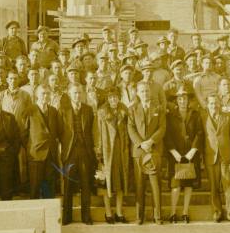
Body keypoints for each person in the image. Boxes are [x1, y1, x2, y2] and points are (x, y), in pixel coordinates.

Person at [127, 80, 166, 224]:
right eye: (142, 91)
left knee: (155, 185)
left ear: (151, 92)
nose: (145, 93)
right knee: (139, 184)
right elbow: (130, 128)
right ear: (138, 93)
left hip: (154, 149)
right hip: (139, 151)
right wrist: (141, 143)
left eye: (147, 91)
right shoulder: (132, 109)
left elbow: (162, 128)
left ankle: (158, 217)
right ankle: (139, 217)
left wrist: (151, 141)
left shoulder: (158, 108)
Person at [163, 87, 203, 223]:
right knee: (175, 185)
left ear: (188, 100)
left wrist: (193, 151)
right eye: (179, 99)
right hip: (175, 155)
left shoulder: (195, 114)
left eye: (184, 98)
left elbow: (199, 133)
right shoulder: (170, 116)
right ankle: (173, 212)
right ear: (176, 100)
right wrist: (174, 152)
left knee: (188, 184)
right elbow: (167, 135)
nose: (182, 101)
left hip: (191, 154)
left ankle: (185, 212)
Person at [57, 83, 96, 224]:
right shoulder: (63, 110)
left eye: (79, 92)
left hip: (85, 151)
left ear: (83, 94)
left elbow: (92, 131)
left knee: (85, 184)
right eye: (74, 93)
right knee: (68, 185)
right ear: (69, 94)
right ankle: (67, 217)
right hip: (70, 152)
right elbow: (60, 132)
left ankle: (86, 217)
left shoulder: (88, 110)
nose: (77, 95)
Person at [202, 93, 230, 222]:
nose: (214, 106)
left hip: (226, 156)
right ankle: (217, 212)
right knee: (214, 186)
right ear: (208, 105)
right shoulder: (203, 118)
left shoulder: (228, 118)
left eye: (216, 103)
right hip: (210, 156)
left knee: (228, 185)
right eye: (211, 103)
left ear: (220, 105)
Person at [94, 87, 130, 223]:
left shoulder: (124, 111)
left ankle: (119, 212)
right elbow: (97, 133)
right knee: (105, 184)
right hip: (107, 152)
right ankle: (108, 212)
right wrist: (99, 152)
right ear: (107, 99)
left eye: (115, 97)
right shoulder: (102, 112)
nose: (113, 100)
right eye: (110, 98)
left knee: (120, 182)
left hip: (121, 152)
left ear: (119, 98)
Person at [24, 85, 61, 199]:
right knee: (35, 188)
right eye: (43, 93)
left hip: (50, 154)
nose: (45, 96)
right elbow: (23, 133)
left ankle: (50, 215)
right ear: (37, 96)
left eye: (48, 94)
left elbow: (57, 131)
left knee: (49, 188)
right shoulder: (30, 110)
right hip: (35, 154)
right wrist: (31, 146)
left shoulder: (54, 111)